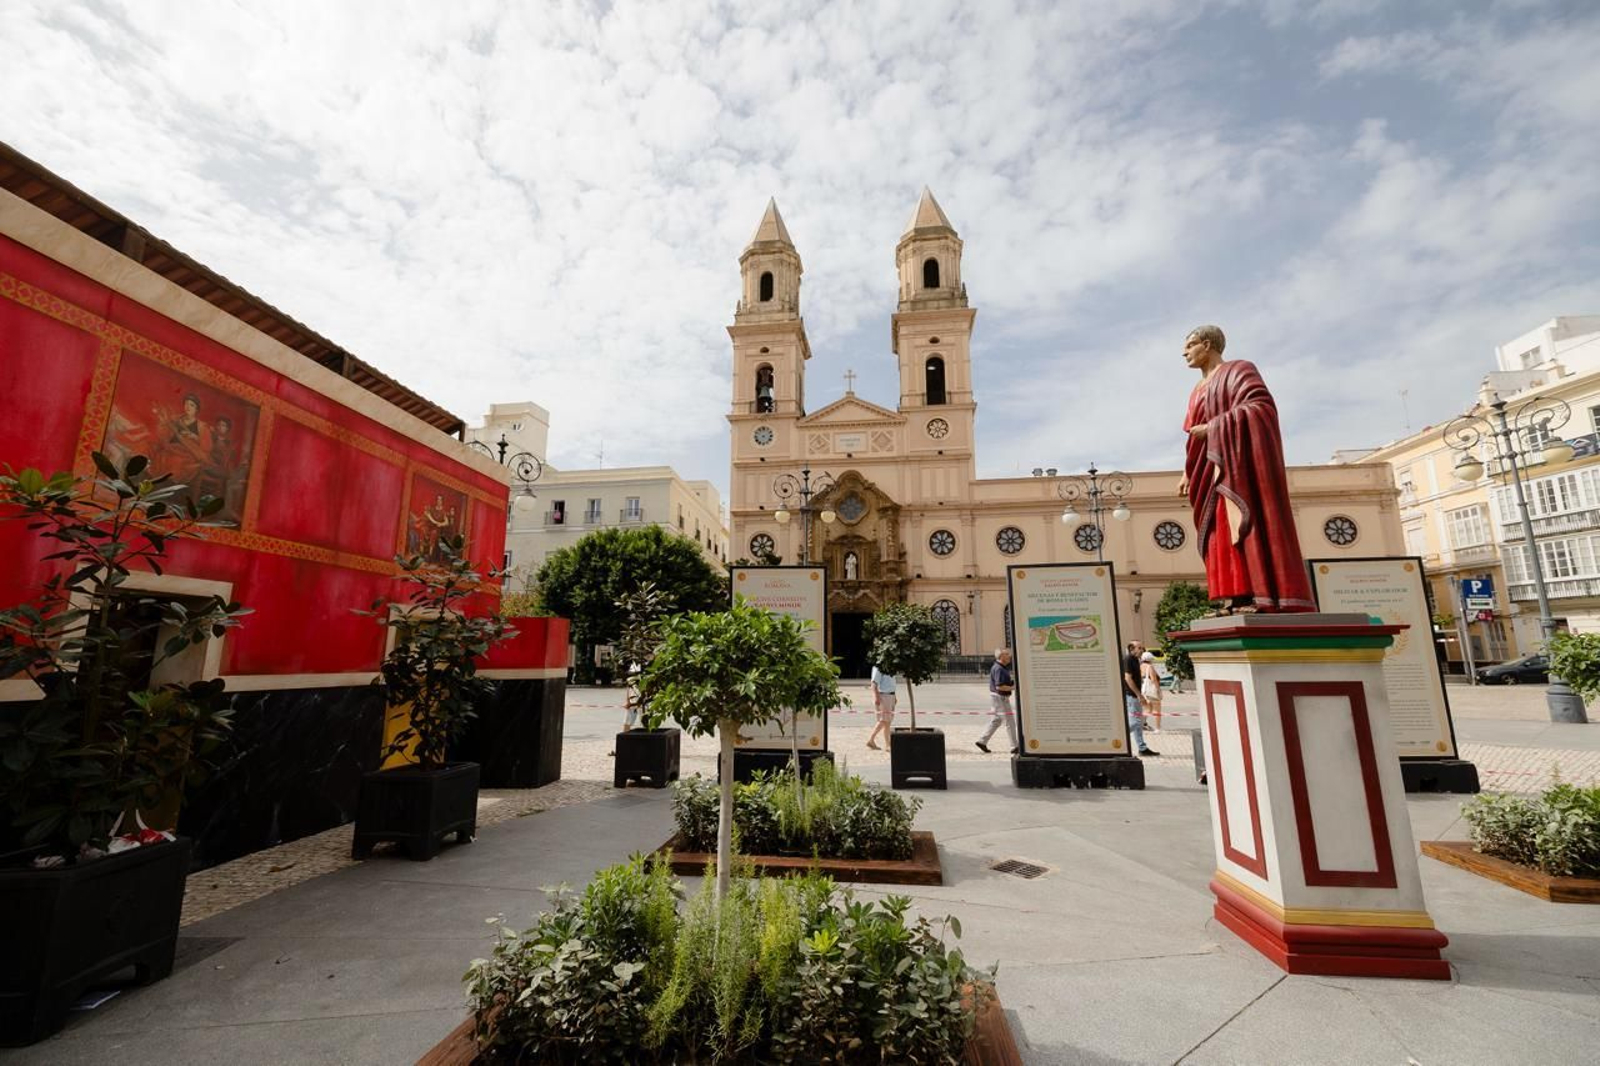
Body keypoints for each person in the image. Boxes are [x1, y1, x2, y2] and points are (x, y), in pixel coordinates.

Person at [1177, 324, 1316, 613]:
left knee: (1243, 523)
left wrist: (1215, 427)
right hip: (1207, 467)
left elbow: (1261, 408)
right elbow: (1191, 436)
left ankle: (1259, 594)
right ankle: (1235, 595)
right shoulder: (1196, 390)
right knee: (1219, 533)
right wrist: (1187, 472)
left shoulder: (1239, 370)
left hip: (1236, 469)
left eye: (1190, 345)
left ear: (1207, 344)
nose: (1184, 352)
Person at [976, 648, 1018, 753]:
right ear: (1001, 657)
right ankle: (1014, 746)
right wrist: (1014, 687)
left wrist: (1011, 683)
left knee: (995, 721)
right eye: (1007, 654)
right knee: (1010, 722)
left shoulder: (1000, 667)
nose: (1009, 656)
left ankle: (982, 741)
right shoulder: (999, 668)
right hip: (1000, 698)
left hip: (996, 698)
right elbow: (1000, 686)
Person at [1123, 640, 1159, 756]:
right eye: (1139, 648)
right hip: (1131, 695)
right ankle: (1120, 739)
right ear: (1131, 649)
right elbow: (1128, 678)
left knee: (1138, 723)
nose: (1141, 650)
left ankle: (1142, 748)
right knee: (1135, 722)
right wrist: (1139, 694)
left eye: (1142, 648)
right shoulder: (1128, 659)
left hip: (1135, 695)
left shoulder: (1135, 660)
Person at [867, 663, 896, 750]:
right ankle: (871, 739)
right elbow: (874, 683)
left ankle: (887, 745)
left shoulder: (890, 666)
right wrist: (876, 697)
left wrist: (894, 696)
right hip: (883, 695)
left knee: (888, 721)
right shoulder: (878, 667)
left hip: (890, 695)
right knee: (884, 720)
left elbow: (891, 682)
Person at [1139, 650, 1164, 733]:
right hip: (1151, 691)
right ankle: (1157, 728)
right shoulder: (1150, 667)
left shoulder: (1141, 666)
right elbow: (1153, 679)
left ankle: (1141, 725)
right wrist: (1158, 690)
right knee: (1157, 710)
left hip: (1144, 690)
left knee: (1147, 709)